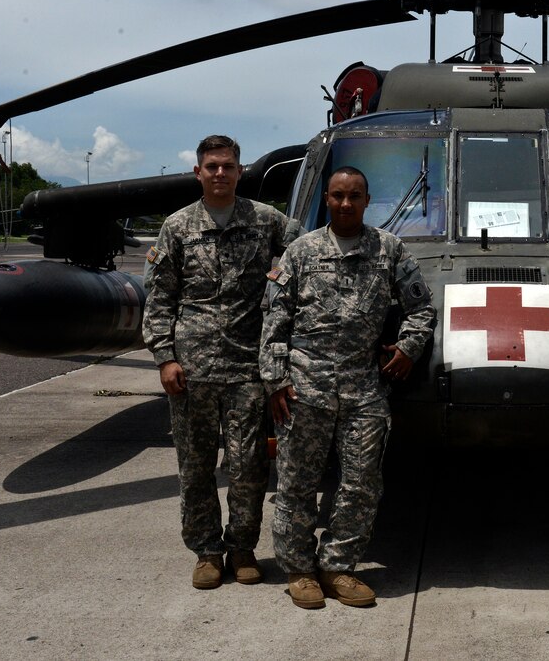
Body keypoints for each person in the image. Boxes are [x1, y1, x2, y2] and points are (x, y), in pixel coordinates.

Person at [260, 165, 435, 610]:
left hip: (363, 389)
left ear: (366, 200)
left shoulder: (388, 249)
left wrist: (409, 348)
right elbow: (274, 323)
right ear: (328, 200)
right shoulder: (301, 252)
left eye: (354, 196)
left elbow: (422, 308)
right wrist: (276, 380)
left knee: (361, 484)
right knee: (298, 483)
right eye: (337, 195)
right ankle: (299, 570)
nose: (344, 203)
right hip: (305, 387)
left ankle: (338, 566)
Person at [143, 134, 300, 590]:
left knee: (249, 467)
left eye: (227, 166)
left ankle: (243, 548)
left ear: (239, 171)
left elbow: (307, 255)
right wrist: (164, 357)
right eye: (211, 166)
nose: (219, 173)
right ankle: (207, 551)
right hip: (190, 371)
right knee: (195, 468)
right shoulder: (178, 226)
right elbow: (160, 297)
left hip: (248, 367)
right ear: (198, 172)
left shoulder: (266, 221)